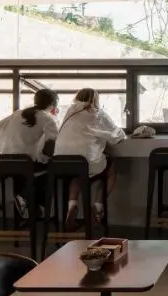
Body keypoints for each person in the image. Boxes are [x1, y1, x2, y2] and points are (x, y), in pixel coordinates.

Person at [54, 88, 126, 230]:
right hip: (86, 162)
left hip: (61, 162)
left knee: (77, 174)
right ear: (95, 99)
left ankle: (72, 206)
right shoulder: (98, 113)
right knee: (110, 170)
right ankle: (98, 207)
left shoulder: (70, 111)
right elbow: (116, 135)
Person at [0, 89, 60, 218]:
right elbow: (51, 145)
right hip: (25, 164)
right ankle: (28, 201)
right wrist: (46, 154)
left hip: (3, 162)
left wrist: (9, 141)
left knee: (28, 172)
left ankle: (29, 206)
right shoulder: (47, 118)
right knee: (50, 169)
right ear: (53, 104)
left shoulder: (18, 113)